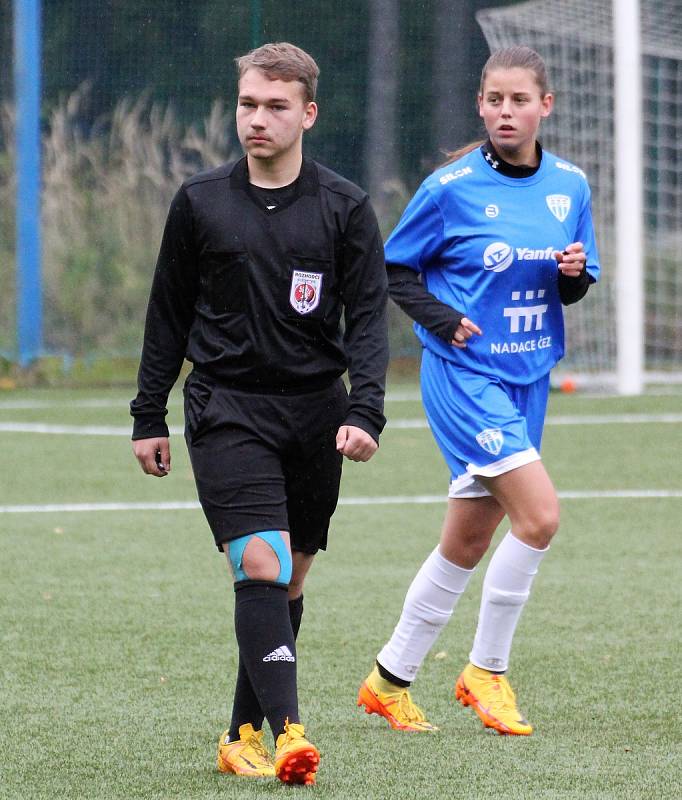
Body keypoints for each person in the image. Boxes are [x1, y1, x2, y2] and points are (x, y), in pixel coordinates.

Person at [131, 42, 388, 784]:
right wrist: (149, 414)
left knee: (288, 580)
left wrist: (365, 411)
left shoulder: (344, 207)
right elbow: (167, 316)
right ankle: (291, 735)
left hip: (316, 413)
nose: (258, 119)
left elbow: (369, 321)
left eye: (276, 106)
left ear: (307, 113)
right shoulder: (201, 201)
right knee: (260, 562)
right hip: (226, 405)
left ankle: (240, 731)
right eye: (249, 104)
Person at [357, 45, 599, 736]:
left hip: (529, 375)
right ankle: (486, 671)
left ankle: (389, 678)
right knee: (541, 517)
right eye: (494, 99)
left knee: (467, 539)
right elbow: (392, 270)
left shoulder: (570, 187)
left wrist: (573, 274)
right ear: (481, 105)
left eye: (519, 99)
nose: (504, 111)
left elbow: (574, 287)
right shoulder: (451, 187)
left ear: (544, 107)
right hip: (466, 377)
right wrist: (443, 319)